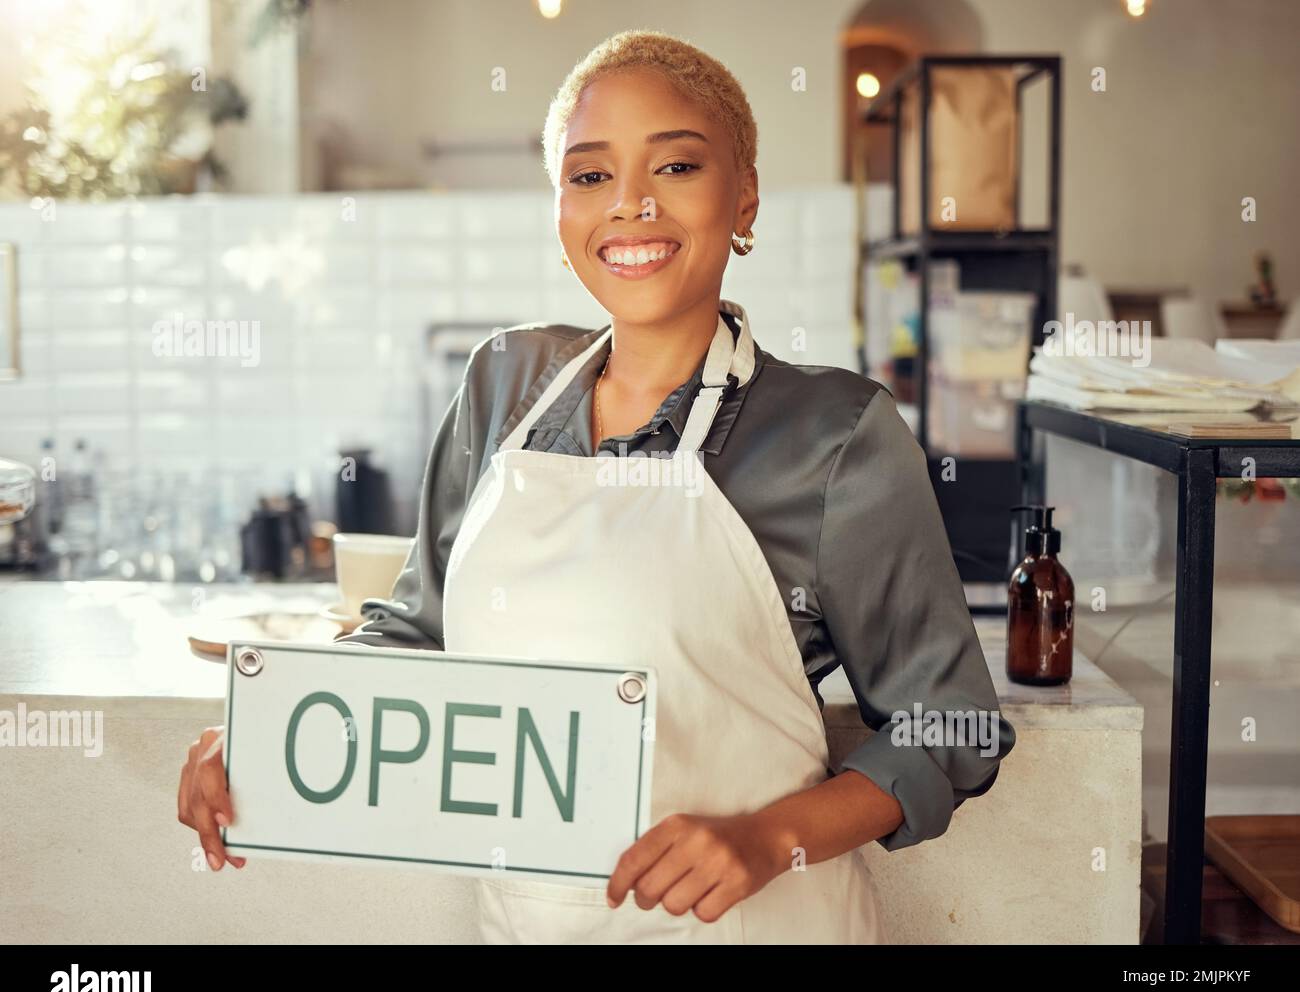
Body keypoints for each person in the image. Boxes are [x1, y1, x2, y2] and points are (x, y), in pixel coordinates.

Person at [178, 29, 1015, 945]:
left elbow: (950, 726)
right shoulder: (503, 385)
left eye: (678, 166)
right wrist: (268, 722)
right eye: (589, 176)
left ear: (744, 198)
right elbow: (418, 634)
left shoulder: (835, 434)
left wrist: (770, 837)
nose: (630, 205)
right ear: (559, 209)